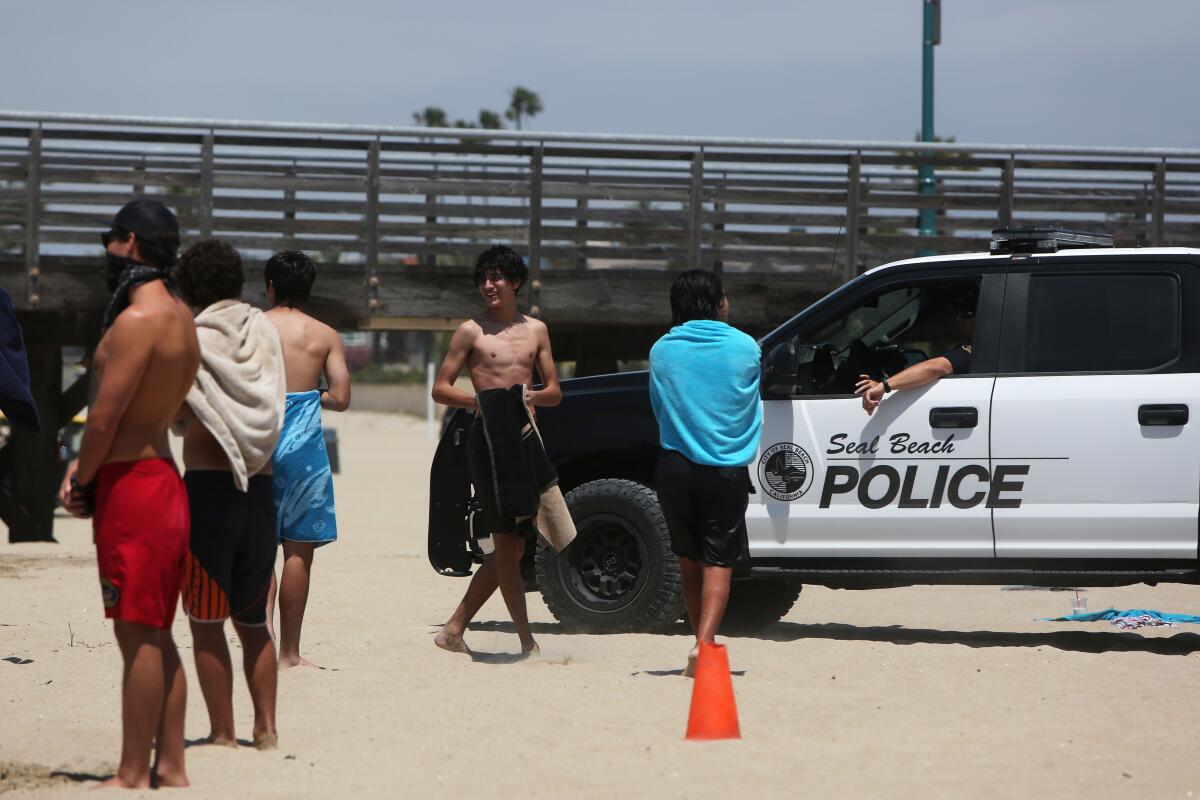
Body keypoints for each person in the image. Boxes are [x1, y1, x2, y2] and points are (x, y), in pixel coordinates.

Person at [58, 198, 199, 789]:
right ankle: (170, 764)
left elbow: (103, 421)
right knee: (156, 631)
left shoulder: (138, 320)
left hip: (132, 487)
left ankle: (132, 771)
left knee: (135, 632)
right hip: (163, 480)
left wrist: (80, 478)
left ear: (132, 244)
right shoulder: (184, 317)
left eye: (112, 240)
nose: (108, 252)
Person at [173, 239, 286, 749]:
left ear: (189, 287)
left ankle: (223, 733)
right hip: (261, 490)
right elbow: (270, 398)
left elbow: (178, 412)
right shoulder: (263, 329)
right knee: (256, 622)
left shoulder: (192, 334)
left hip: (207, 491)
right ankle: (266, 728)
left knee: (205, 621)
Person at [432, 244, 562, 658]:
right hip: (486, 442)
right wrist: (483, 402)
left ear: (516, 282)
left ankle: (453, 629)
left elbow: (555, 392)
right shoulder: (471, 331)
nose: (489, 286)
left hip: (525, 442)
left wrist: (527, 399)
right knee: (507, 543)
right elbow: (441, 388)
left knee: (517, 546)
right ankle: (526, 641)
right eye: (484, 279)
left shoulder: (537, 331)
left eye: (497, 278)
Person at [648, 269, 761, 676]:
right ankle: (704, 643)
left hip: (674, 466)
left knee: (688, 562)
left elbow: (659, 408)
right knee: (718, 563)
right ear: (717, 303)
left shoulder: (661, 349)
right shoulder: (746, 346)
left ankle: (700, 642)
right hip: (725, 468)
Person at [262, 250, 350, 669]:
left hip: (258, 442)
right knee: (298, 552)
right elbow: (343, 397)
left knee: (260, 549)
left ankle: (261, 646)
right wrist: (309, 395)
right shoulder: (325, 335)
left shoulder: (251, 327)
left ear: (270, 286)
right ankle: (289, 654)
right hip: (304, 451)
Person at [854, 287, 978, 415]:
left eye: (965, 313)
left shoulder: (975, 350)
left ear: (979, 316)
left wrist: (882, 387)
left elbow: (936, 368)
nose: (958, 319)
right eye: (957, 312)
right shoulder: (984, 349)